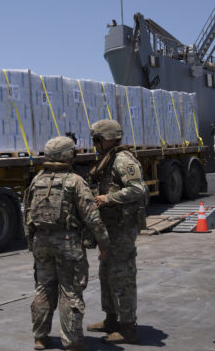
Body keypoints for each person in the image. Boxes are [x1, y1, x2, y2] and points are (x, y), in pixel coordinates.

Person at [25, 136, 111, 351]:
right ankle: (71, 341)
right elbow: (92, 216)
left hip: (41, 242)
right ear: (67, 156)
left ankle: (40, 337)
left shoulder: (37, 180)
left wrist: (31, 243)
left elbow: (27, 213)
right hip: (67, 244)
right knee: (70, 290)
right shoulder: (75, 181)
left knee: (43, 288)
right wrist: (104, 243)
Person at [86, 119, 148, 345]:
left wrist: (108, 198)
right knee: (106, 274)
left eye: (97, 140)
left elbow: (137, 189)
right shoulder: (108, 158)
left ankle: (128, 327)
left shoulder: (122, 160)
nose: (95, 144)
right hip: (111, 227)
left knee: (122, 276)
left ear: (107, 138)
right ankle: (111, 319)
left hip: (122, 228)